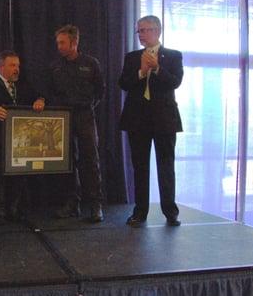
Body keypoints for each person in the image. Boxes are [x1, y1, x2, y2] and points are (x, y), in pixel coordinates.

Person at [119, 15, 183, 227]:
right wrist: (141, 72)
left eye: (145, 30)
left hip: (164, 120)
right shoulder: (131, 57)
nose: (141, 35)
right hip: (137, 120)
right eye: (139, 31)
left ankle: (170, 211)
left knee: (166, 166)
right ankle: (140, 212)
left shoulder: (173, 56)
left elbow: (175, 82)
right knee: (140, 167)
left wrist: (156, 68)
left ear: (157, 31)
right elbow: (124, 83)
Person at [0, 50, 45, 225]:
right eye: (12, 65)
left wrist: (40, 101)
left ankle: (15, 210)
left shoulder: (23, 85)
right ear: (1, 67)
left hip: (18, 141)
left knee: (18, 175)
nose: (17, 69)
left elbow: (38, 95)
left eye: (18, 66)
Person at [49, 25, 105, 223]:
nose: (59, 46)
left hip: (84, 115)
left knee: (90, 160)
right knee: (67, 161)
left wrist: (89, 106)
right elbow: (51, 91)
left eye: (62, 42)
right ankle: (72, 203)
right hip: (63, 117)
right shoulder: (56, 66)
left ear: (74, 43)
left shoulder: (91, 63)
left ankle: (95, 204)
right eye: (58, 43)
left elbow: (100, 91)